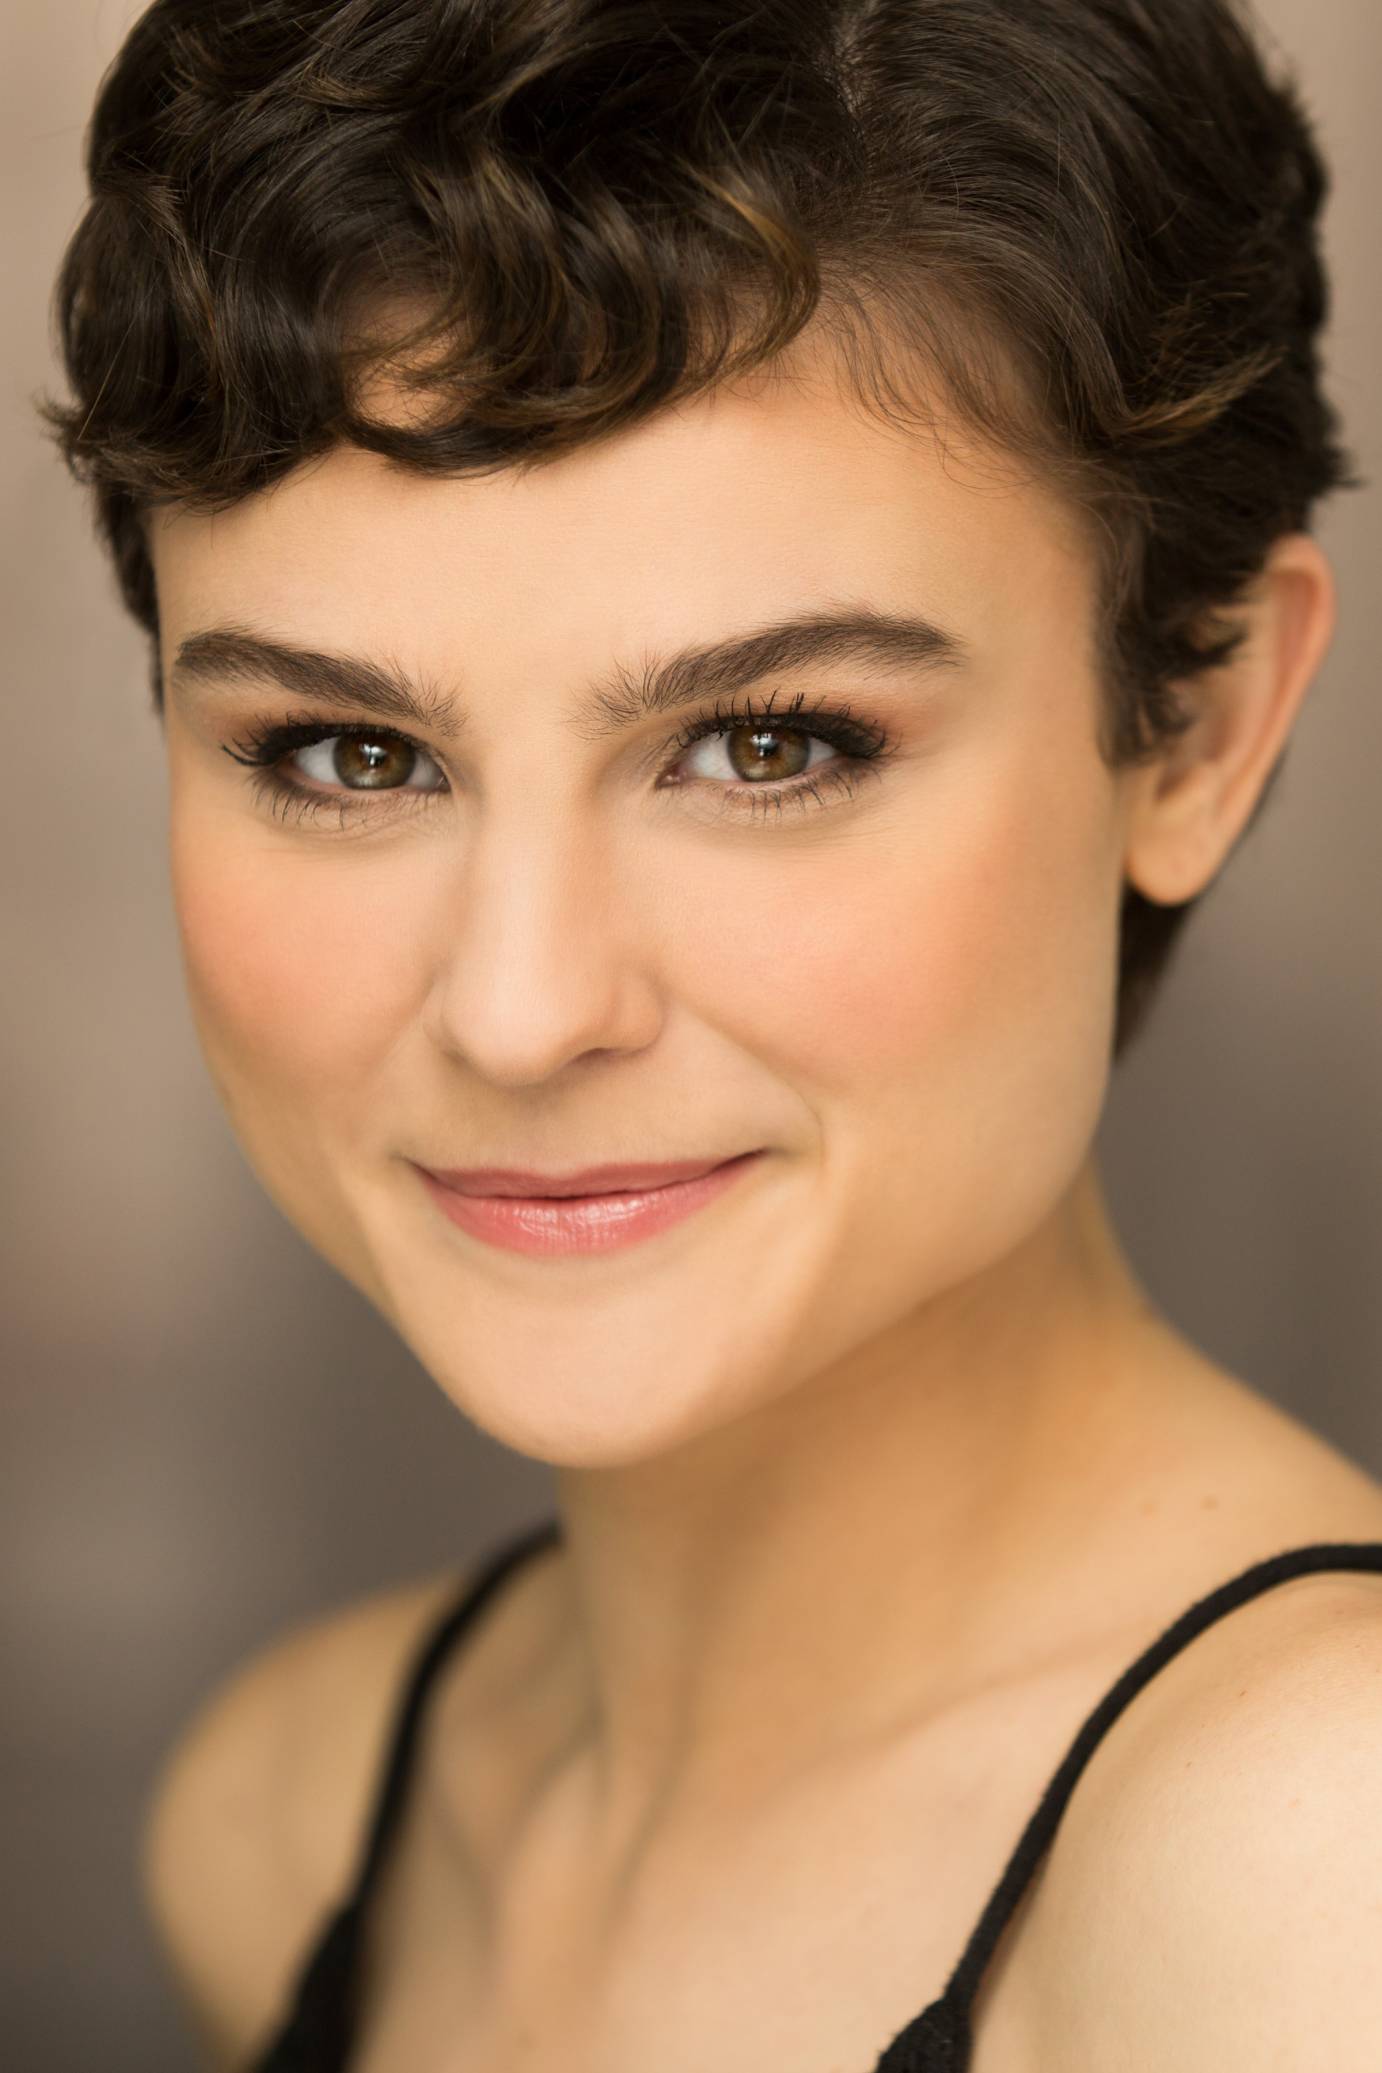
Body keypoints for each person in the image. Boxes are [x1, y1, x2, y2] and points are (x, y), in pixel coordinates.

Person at [45, 0, 1382, 2066]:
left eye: (769, 744)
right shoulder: (286, 1824)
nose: (519, 1006)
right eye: (346, 751)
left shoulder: (1318, 1880)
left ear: (1194, 723)